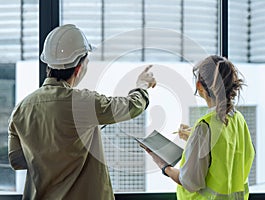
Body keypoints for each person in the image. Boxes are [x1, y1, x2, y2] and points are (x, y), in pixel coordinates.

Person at [8, 24, 156, 200]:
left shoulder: (21, 109)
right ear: (79, 68)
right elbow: (131, 106)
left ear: (48, 65)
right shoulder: (83, 103)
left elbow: (16, 160)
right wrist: (142, 85)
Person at [148, 55, 255, 199]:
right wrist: (194, 139)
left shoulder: (204, 127)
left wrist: (164, 166)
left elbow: (190, 182)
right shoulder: (239, 120)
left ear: (199, 86)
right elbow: (225, 157)